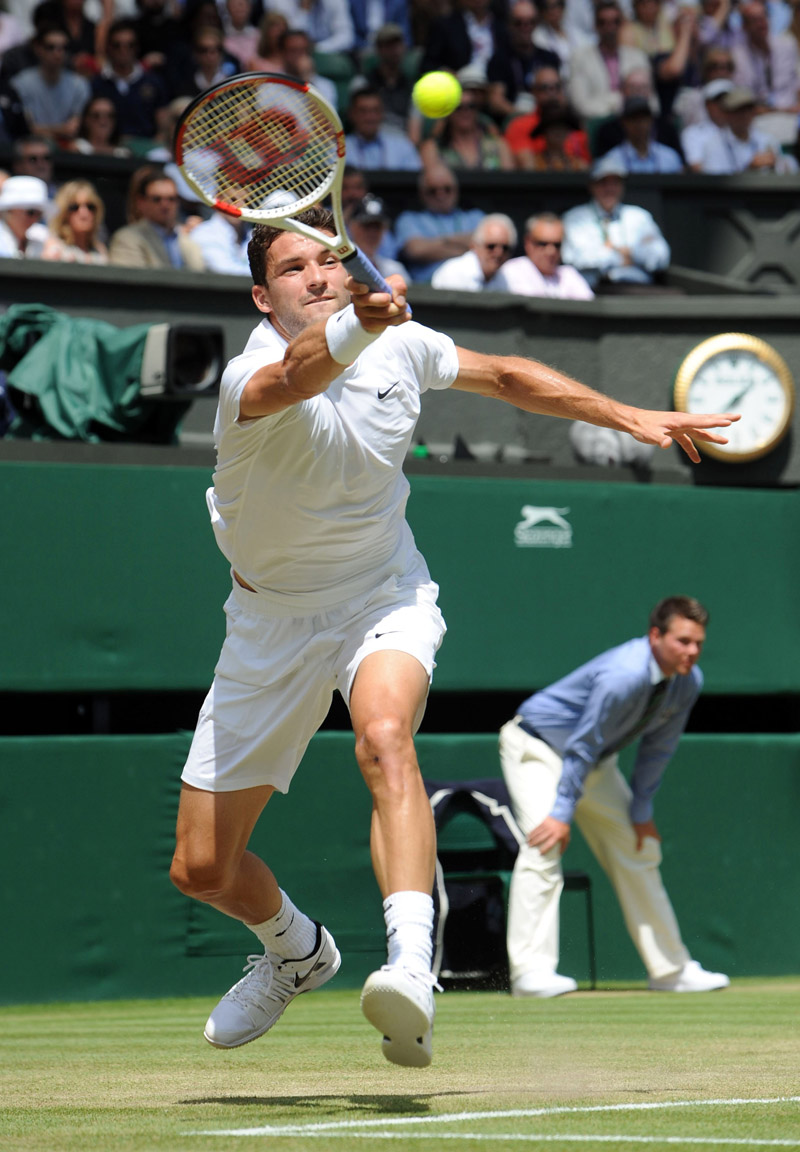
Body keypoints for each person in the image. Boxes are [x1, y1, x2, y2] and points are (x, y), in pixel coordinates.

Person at [168, 205, 736, 1067]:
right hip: (268, 620)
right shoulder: (250, 375)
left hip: (382, 595)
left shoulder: (401, 344)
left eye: (326, 261)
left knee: (384, 735)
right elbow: (297, 375)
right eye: (291, 268)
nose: (315, 276)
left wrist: (625, 414)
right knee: (201, 868)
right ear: (261, 296)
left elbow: (505, 376)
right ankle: (296, 951)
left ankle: (409, 963)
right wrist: (361, 323)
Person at [499, 596, 731, 999]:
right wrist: (561, 812)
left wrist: (641, 810)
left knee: (638, 848)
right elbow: (583, 743)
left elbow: (659, 748)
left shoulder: (688, 681)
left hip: (594, 764)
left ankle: (671, 970)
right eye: (683, 641)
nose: (692, 651)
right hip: (537, 748)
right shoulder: (623, 676)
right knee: (544, 844)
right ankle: (530, 973)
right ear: (655, 635)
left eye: (698, 643)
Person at [561, 155, 671, 289]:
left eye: (615, 183)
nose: (610, 189)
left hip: (639, 289)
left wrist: (631, 252)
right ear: (591, 186)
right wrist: (621, 256)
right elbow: (579, 259)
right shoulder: (574, 218)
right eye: (603, 183)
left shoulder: (640, 216)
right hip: (594, 291)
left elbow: (661, 256)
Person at [394, 163, 484, 282]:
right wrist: (468, 248)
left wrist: (442, 242)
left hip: (472, 286)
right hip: (428, 289)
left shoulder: (475, 217)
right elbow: (416, 250)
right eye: (433, 191)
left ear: (456, 190)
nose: (441, 195)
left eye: (447, 189)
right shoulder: (409, 219)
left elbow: (487, 247)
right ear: (422, 193)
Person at [10, 22, 90, 145]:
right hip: (31, 147)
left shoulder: (79, 85)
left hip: (67, 149)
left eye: (63, 47)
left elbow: (72, 130)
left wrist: (43, 129)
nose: (57, 53)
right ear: (37, 48)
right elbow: (27, 129)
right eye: (50, 47)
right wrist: (61, 130)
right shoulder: (20, 84)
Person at [569, 1, 651, 120]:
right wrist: (619, 101)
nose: (610, 28)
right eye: (603, 23)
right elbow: (580, 106)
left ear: (622, 24)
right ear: (595, 26)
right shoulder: (579, 58)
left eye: (615, 22)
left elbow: (652, 102)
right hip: (598, 123)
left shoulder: (638, 57)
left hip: (635, 122)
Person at [108, 168, 205, 269]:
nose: (165, 205)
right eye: (157, 199)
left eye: (171, 199)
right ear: (141, 202)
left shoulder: (191, 238)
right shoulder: (127, 239)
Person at [505, 66, 591, 169]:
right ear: (534, 91)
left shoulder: (577, 128)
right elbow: (525, 164)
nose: (552, 92)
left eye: (557, 87)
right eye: (544, 88)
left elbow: (586, 165)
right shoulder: (520, 125)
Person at [419, 80, 515, 171]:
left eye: (471, 106)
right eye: (458, 107)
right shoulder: (433, 149)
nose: (465, 112)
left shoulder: (498, 145)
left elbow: (509, 178)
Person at [498, 212, 594, 298]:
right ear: (528, 243)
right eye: (543, 244)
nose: (551, 251)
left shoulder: (568, 274)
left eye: (557, 245)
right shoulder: (511, 272)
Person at [732, 0, 800, 110]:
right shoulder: (738, 56)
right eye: (755, 20)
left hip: (792, 110)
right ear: (744, 26)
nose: (761, 24)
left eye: (763, 17)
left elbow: (797, 82)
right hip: (759, 113)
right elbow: (744, 95)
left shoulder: (787, 45)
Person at [431, 212, 517, 290]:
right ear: (474, 246)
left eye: (505, 248)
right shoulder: (454, 273)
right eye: (491, 246)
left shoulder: (504, 279)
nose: (498, 253)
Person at [344, 86, 422, 170]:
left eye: (375, 110)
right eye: (363, 111)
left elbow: (415, 175)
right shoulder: (339, 150)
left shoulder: (403, 146)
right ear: (352, 114)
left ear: (382, 113)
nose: (370, 117)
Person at [601, 94, 685, 170]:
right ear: (624, 123)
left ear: (651, 120)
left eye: (644, 118)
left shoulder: (670, 157)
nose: (640, 124)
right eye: (634, 118)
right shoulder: (611, 160)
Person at [40, 176, 108, 262]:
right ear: (63, 213)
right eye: (75, 207)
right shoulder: (55, 248)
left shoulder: (100, 250)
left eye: (90, 206)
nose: (84, 213)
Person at [346, 193, 409, 279]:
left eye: (377, 227)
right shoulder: (339, 266)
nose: (372, 233)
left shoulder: (394, 269)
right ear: (352, 227)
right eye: (366, 226)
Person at [0, 172, 48, 256]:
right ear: (11, 210)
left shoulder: (41, 236)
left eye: (39, 214)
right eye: (31, 212)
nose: (35, 219)